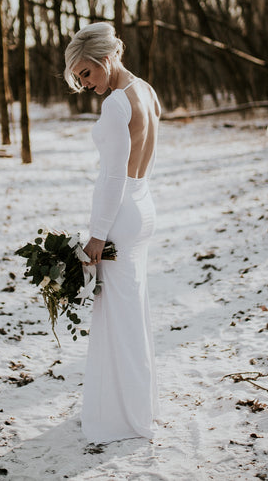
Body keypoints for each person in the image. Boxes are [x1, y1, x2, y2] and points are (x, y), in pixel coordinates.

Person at [64, 22, 161, 444]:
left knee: (118, 320)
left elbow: (112, 179)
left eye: (86, 73)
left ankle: (122, 420)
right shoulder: (146, 90)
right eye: (79, 78)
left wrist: (96, 238)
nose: (85, 84)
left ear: (105, 59)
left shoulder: (118, 103)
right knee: (132, 313)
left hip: (121, 215)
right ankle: (140, 407)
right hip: (144, 206)